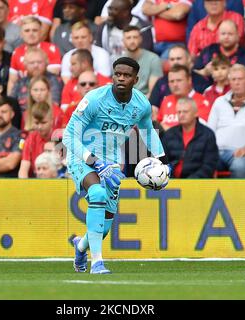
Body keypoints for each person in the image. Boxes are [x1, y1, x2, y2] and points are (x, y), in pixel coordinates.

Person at [62, 57, 168, 274]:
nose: (121, 78)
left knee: (104, 228)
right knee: (98, 193)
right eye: (117, 74)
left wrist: (164, 162)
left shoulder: (141, 105)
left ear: (136, 79)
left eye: (126, 75)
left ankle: (81, 246)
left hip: (111, 163)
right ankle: (97, 263)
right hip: (82, 156)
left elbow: (148, 132)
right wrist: (95, 163)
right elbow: (68, 135)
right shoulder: (94, 99)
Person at [193, 19, 245, 93]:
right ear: (218, 35)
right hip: (208, 95)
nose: (226, 37)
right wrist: (204, 72)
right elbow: (193, 73)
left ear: (238, 36)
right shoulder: (208, 51)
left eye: (230, 34)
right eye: (223, 34)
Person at [162, 97, 218, 178]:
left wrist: (191, 181)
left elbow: (209, 165)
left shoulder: (208, 135)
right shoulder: (169, 134)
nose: (181, 115)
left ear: (196, 113)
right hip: (171, 183)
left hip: (197, 184)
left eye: (185, 112)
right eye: (179, 112)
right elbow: (163, 162)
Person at [7, 16, 62, 94]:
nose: (31, 34)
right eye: (27, 31)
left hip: (46, 92)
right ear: (21, 34)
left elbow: (50, 78)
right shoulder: (17, 52)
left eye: (35, 30)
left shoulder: (51, 49)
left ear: (40, 32)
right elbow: (12, 81)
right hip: (23, 93)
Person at [157, 65, 210, 130]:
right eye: (172, 81)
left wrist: (168, 130)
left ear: (189, 80)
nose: (175, 85)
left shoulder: (202, 102)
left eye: (179, 80)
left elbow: (199, 132)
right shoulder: (166, 100)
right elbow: (157, 126)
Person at [18, 101, 61, 178]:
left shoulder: (60, 136)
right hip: (37, 182)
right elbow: (23, 170)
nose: (39, 127)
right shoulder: (31, 138)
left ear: (52, 120)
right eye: (36, 123)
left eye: (43, 123)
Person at [122, 25, 163, 97]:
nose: (132, 41)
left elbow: (153, 92)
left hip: (144, 100)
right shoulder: (119, 61)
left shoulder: (153, 59)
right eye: (128, 38)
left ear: (141, 39)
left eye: (135, 37)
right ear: (123, 41)